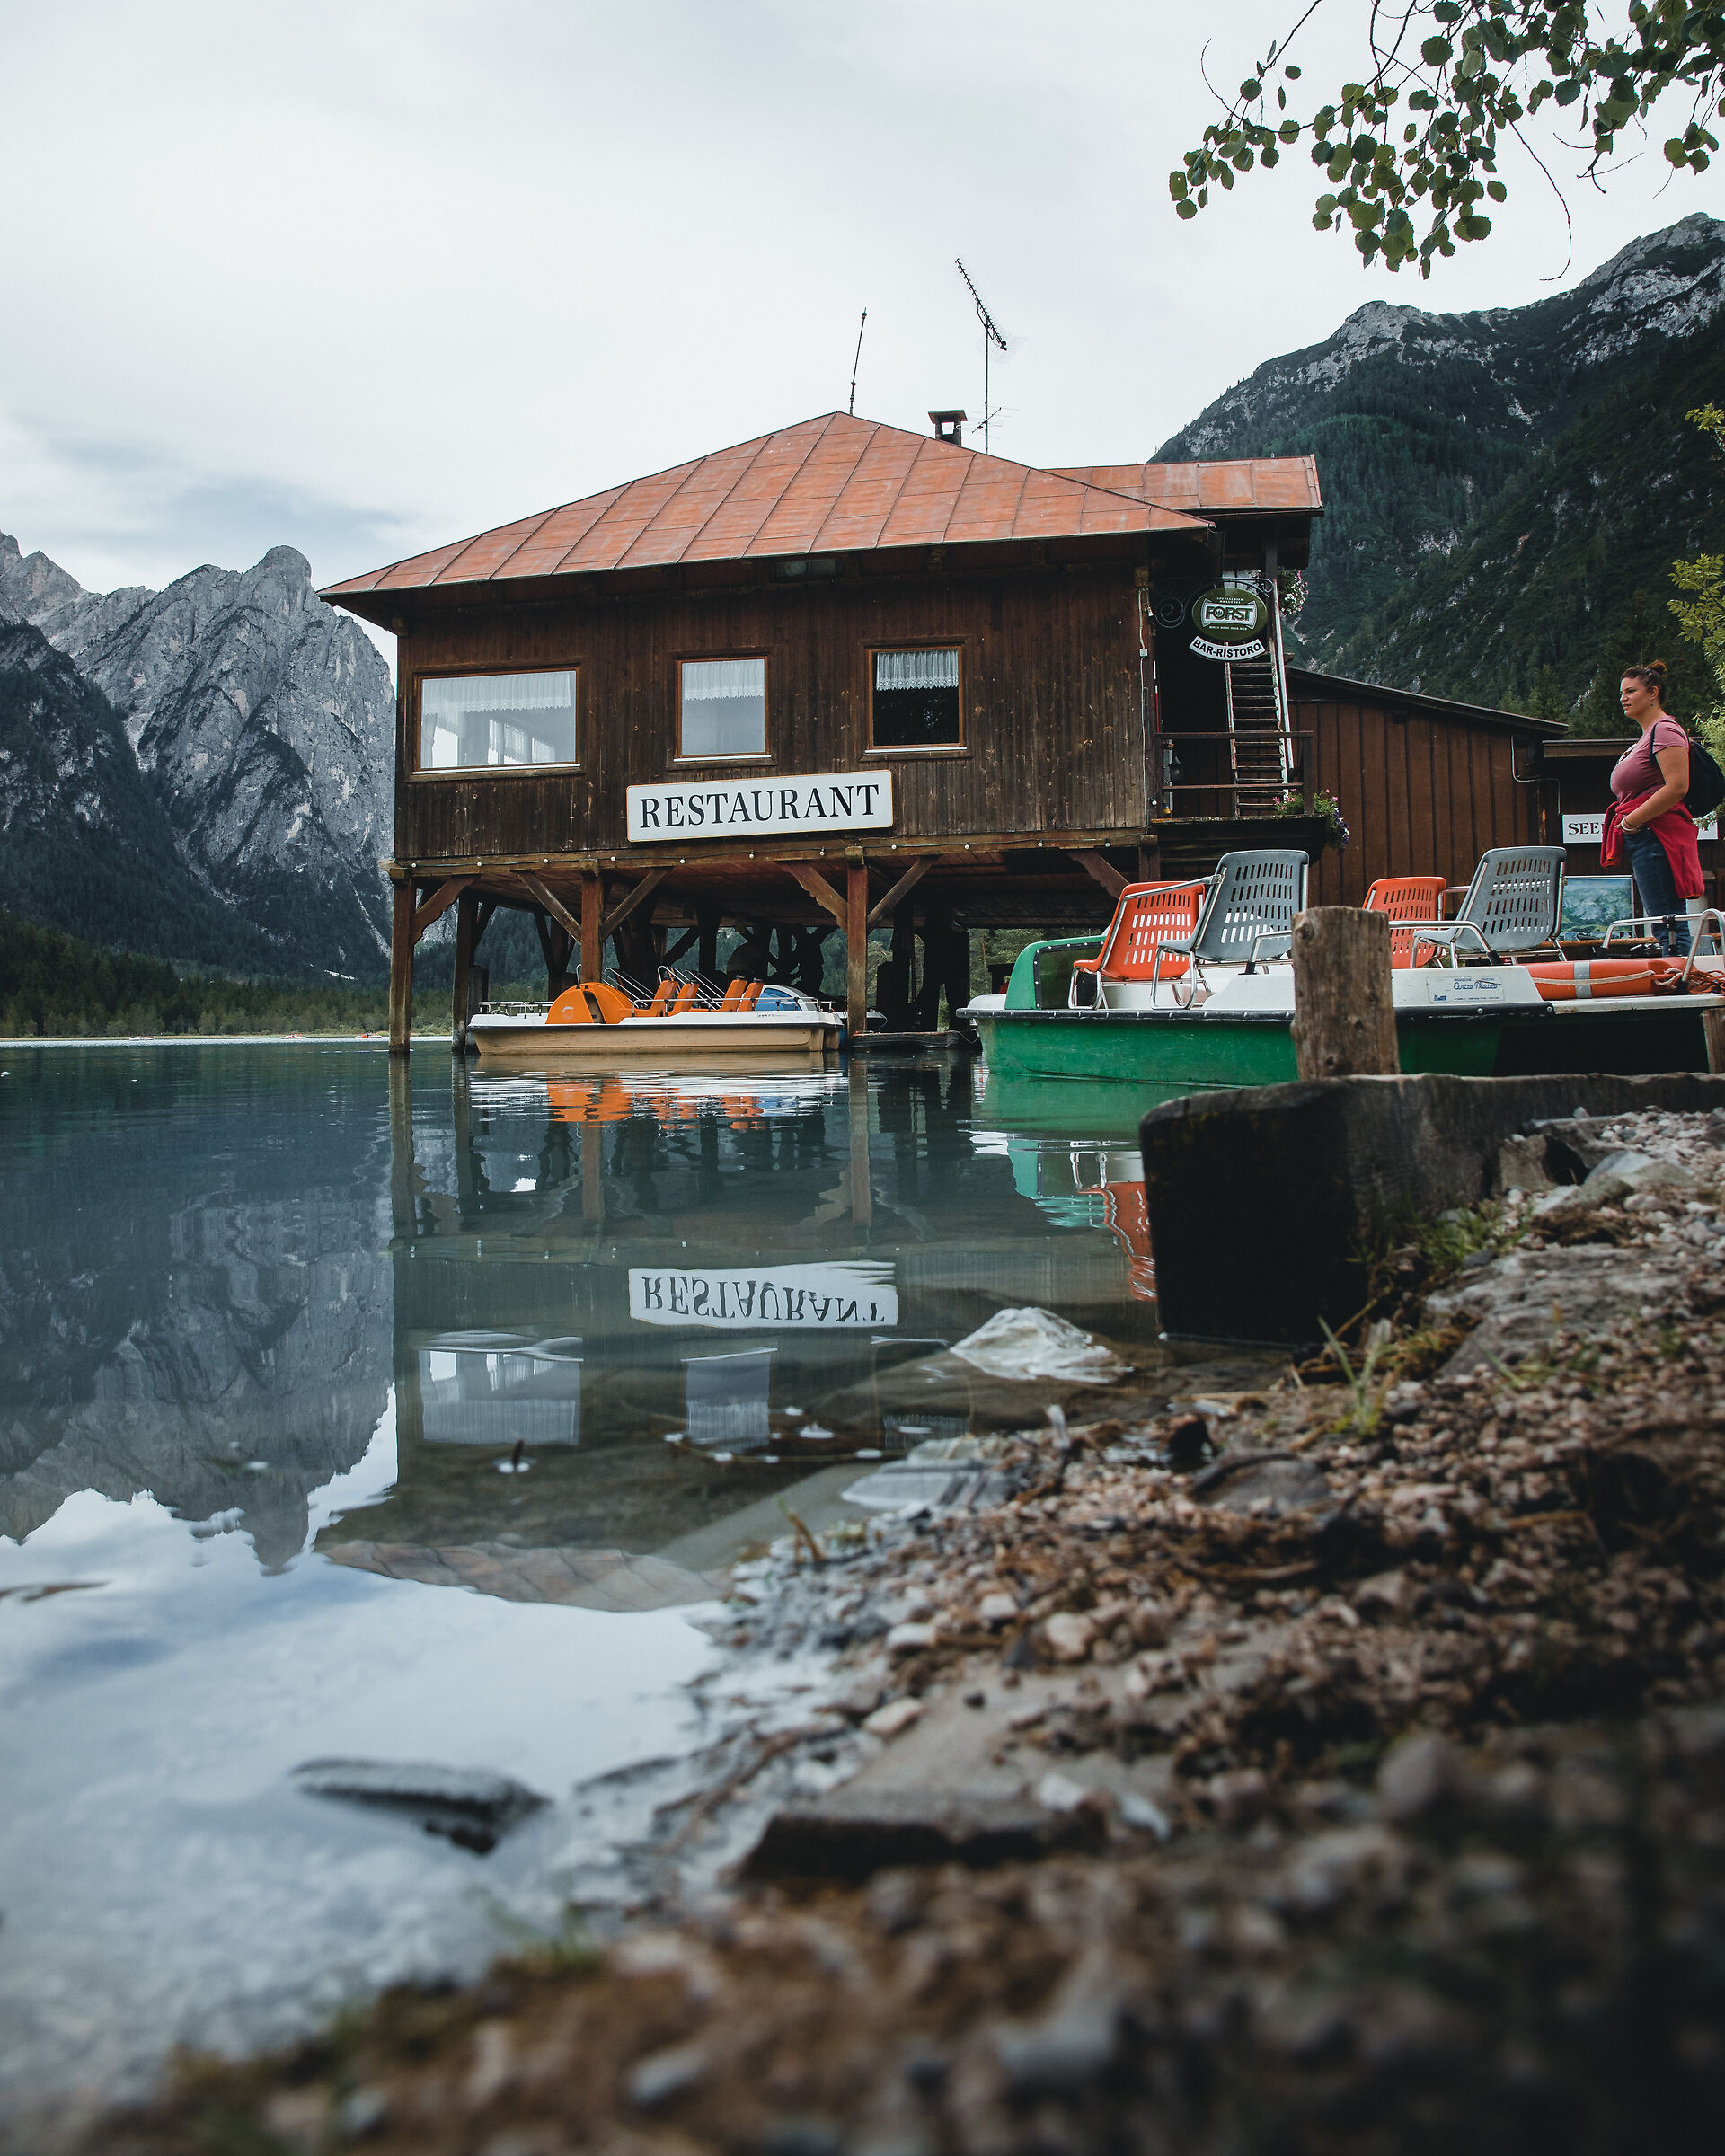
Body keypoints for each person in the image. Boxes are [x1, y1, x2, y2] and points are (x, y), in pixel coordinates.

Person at [1600, 659, 1702, 958]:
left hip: (1656, 835)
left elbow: (1677, 787)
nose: (1624, 698)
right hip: (1645, 835)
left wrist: (1631, 821)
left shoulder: (1666, 731)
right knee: (1664, 920)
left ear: (1653, 693)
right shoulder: (1646, 737)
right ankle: (1676, 980)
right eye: (1622, 692)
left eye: (1631, 691)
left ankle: (1679, 986)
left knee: (1668, 921)